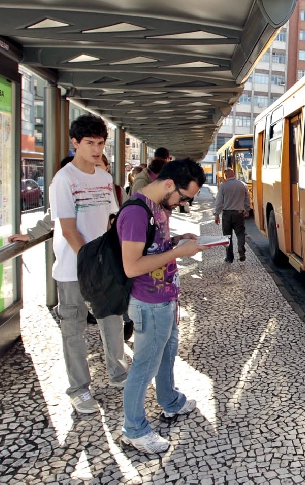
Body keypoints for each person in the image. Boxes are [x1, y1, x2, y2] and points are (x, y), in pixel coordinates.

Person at [116, 158, 207, 454]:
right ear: (169, 184)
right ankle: (134, 429)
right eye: (183, 197)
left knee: (167, 355)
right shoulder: (135, 212)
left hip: (166, 298)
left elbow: (155, 247)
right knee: (144, 366)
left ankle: (170, 401)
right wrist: (178, 253)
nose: (184, 203)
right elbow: (132, 266)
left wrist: (178, 240)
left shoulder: (159, 208)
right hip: (148, 303)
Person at [50, 115, 129, 414]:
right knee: (73, 329)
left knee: (112, 321)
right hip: (74, 268)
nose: (96, 150)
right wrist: (90, 264)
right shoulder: (64, 179)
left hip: (103, 266)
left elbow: (110, 221)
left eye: (100, 143)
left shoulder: (104, 178)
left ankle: (119, 373)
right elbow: (69, 229)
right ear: (75, 143)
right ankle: (79, 389)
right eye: (89, 143)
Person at [214, 168, 250, 263]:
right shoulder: (243, 185)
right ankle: (241, 251)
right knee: (240, 233)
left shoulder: (223, 186)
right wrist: (247, 209)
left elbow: (219, 202)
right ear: (234, 174)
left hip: (227, 214)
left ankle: (229, 257)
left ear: (226, 176)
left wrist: (217, 214)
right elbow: (247, 199)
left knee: (227, 236)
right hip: (239, 213)